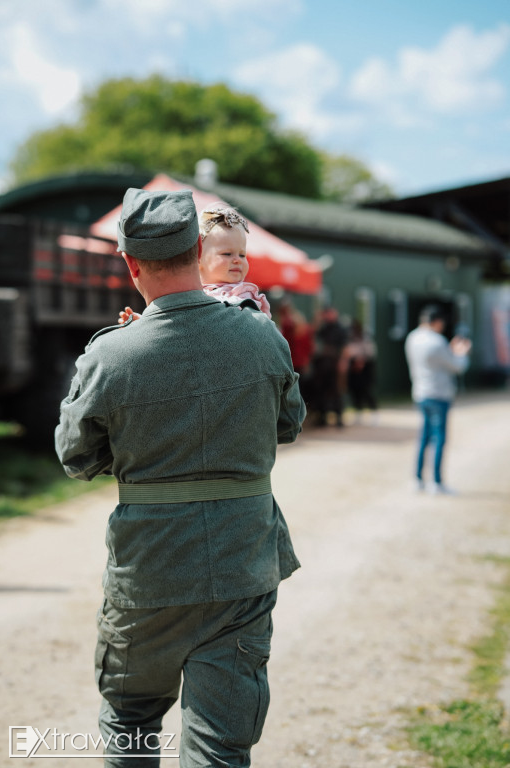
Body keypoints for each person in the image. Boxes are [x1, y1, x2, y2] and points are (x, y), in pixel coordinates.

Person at [55, 187, 305, 768]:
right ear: (198, 248)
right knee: (219, 744)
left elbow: (77, 458)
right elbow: (287, 425)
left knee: (131, 720)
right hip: (243, 564)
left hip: (150, 573)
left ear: (130, 262)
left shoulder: (109, 356)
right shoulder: (263, 336)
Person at [119, 203, 271, 323]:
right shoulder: (190, 293)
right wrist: (146, 324)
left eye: (242, 254)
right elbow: (174, 322)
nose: (237, 259)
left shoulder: (244, 296)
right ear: (198, 256)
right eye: (227, 254)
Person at [404, 304, 471, 494]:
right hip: (439, 394)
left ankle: (417, 478)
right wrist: (461, 352)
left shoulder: (413, 338)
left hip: (420, 392)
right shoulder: (437, 341)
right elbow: (457, 366)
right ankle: (436, 481)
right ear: (437, 322)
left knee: (424, 437)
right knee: (439, 438)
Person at [310, 306, 347, 427]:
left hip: (334, 362)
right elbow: (313, 335)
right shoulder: (323, 328)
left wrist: (343, 361)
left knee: (336, 390)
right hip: (322, 364)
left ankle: (339, 417)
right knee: (321, 390)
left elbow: (345, 346)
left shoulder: (341, 329)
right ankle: (322, 417)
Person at [341, 319, 378, 423]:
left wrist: (362, 361)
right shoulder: (349, 339)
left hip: (366, 369)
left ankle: (374, 413)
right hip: (354, 369)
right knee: (355, 392)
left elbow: (370, 352)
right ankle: (358, 413)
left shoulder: (366, 338)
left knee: (367, 391)